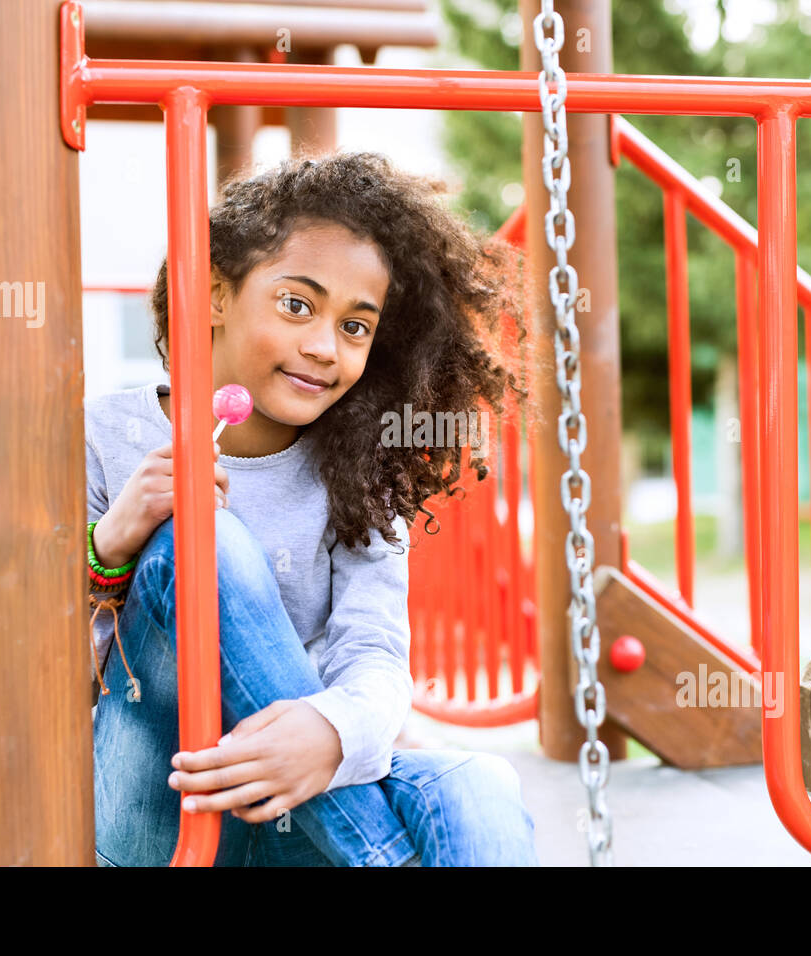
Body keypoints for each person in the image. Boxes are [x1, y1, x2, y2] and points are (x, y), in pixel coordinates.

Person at [85, 151, 540, 866]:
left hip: (300, 813)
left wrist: (329, 734)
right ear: (215, 293)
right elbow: (44, 678)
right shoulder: (102, 435)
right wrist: (111, 547)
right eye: (297, 305)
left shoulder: (360, 470)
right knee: (203, 543)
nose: (325, 347)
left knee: (477, 782)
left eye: (356, 327)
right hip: (159, 808)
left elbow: (375, 660)